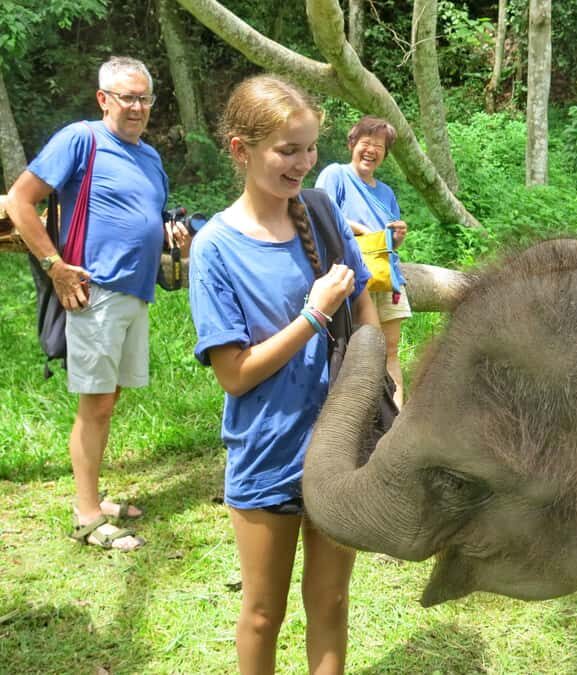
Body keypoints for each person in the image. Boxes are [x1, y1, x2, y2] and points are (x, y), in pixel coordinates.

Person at [188, 74, 379, 675]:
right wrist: (312, 316)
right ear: (241, 150)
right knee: (263, 612)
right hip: (267, 452)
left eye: (310, 148)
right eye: (288, 150)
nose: (303, 163)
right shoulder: (215, 248)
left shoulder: (321, 212)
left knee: (331, 601)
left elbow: (364, 303)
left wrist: (376, 377)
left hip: (338, 446)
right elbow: (235, 375)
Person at [6, 56, 187, 551]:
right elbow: (19, 201)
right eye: (127, 97)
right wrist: (55, 267)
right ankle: (86, 515)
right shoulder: (81, 139)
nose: (137, 107)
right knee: (96, 405)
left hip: (135, 292)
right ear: (104, 99)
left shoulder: (149, 157)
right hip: (93, 291)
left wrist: (170, 230)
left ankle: (93, 497)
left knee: (108, 400)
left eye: (144, 98)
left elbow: (149, 215)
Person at [315, 116, 410, 408]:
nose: (371, 150)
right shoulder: (336, 175)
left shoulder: (386, 193)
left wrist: (396, 238)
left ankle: (395, 416)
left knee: (390, 350)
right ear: (352, 144)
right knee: (355, 353)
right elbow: (320, 212)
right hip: (352, 278)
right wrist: (360, 229)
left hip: (387, 276)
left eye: (379, 146)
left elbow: (386, 242)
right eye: (366, 143)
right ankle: (358, 417)